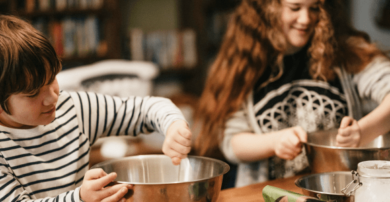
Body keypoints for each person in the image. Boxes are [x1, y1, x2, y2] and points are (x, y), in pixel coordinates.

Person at [194, 0, 390, 187]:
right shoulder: (244, 63)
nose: (306, 19)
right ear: (268, 7)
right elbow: (232, 143)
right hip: (271, 192)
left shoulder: (347, 51)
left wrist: (363, 132)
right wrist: (274, 142)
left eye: (314, 8)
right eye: (294, 8)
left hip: (344, 188)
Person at [0, 15, 192, 202]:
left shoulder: (74, 109)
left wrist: (173, 125)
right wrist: (80, 198)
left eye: (52, 79)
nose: (52, 97)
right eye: (33, 93)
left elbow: (146, 108)